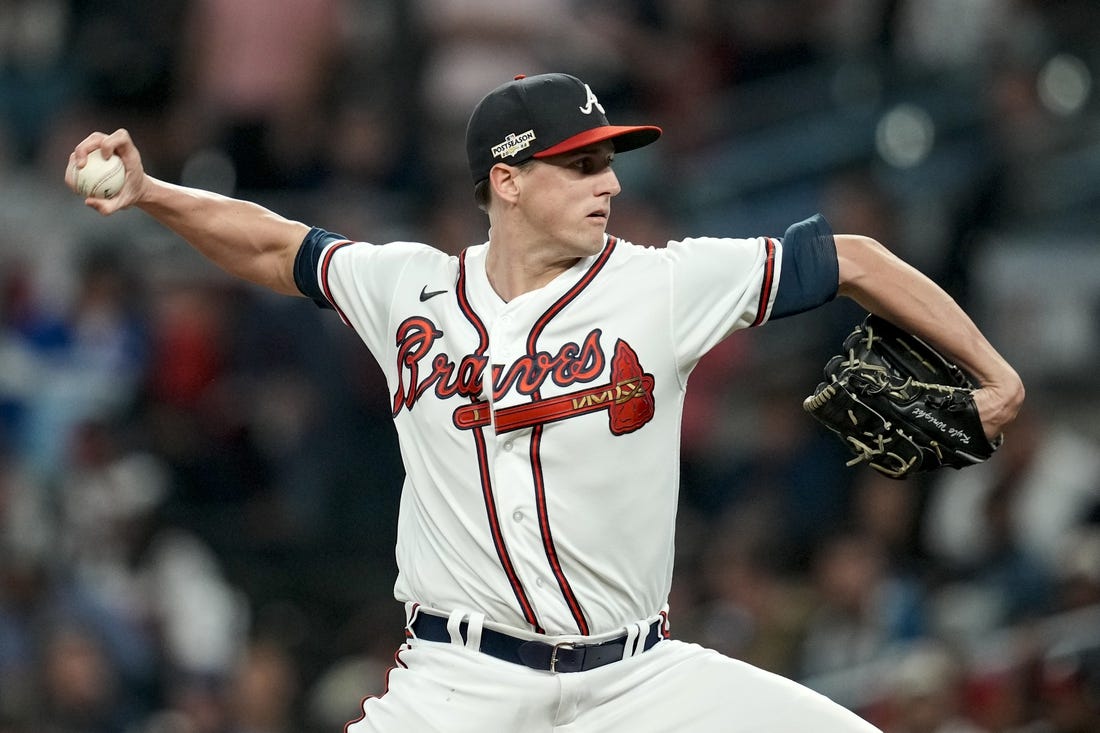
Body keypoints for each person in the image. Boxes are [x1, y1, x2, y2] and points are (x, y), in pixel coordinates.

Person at [65, 72, 1024, 732]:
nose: (608, 181)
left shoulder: (661, 284)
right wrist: (154, 193)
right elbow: (277, 246)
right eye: (579, 164)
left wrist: (994, 373)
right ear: (508, 180)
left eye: (609, 162)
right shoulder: (411, 288)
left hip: (636, 681)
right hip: (459, 684)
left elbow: (852, 258)